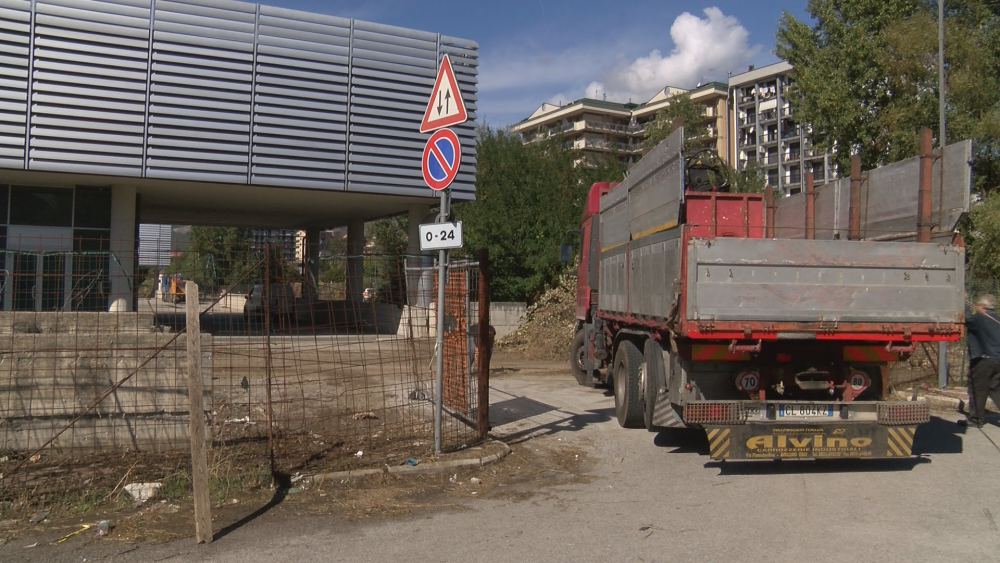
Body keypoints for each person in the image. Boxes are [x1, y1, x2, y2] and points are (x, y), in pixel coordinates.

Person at [963, 294, 1000, 428]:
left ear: (981, 306)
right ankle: (975, 418)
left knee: (978, 390)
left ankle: (976, 419)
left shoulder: (980, 318)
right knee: (996, 389)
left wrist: (964, 303)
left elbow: (967, 319)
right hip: (998, 360)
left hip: (983, 360)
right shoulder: (997, 319)